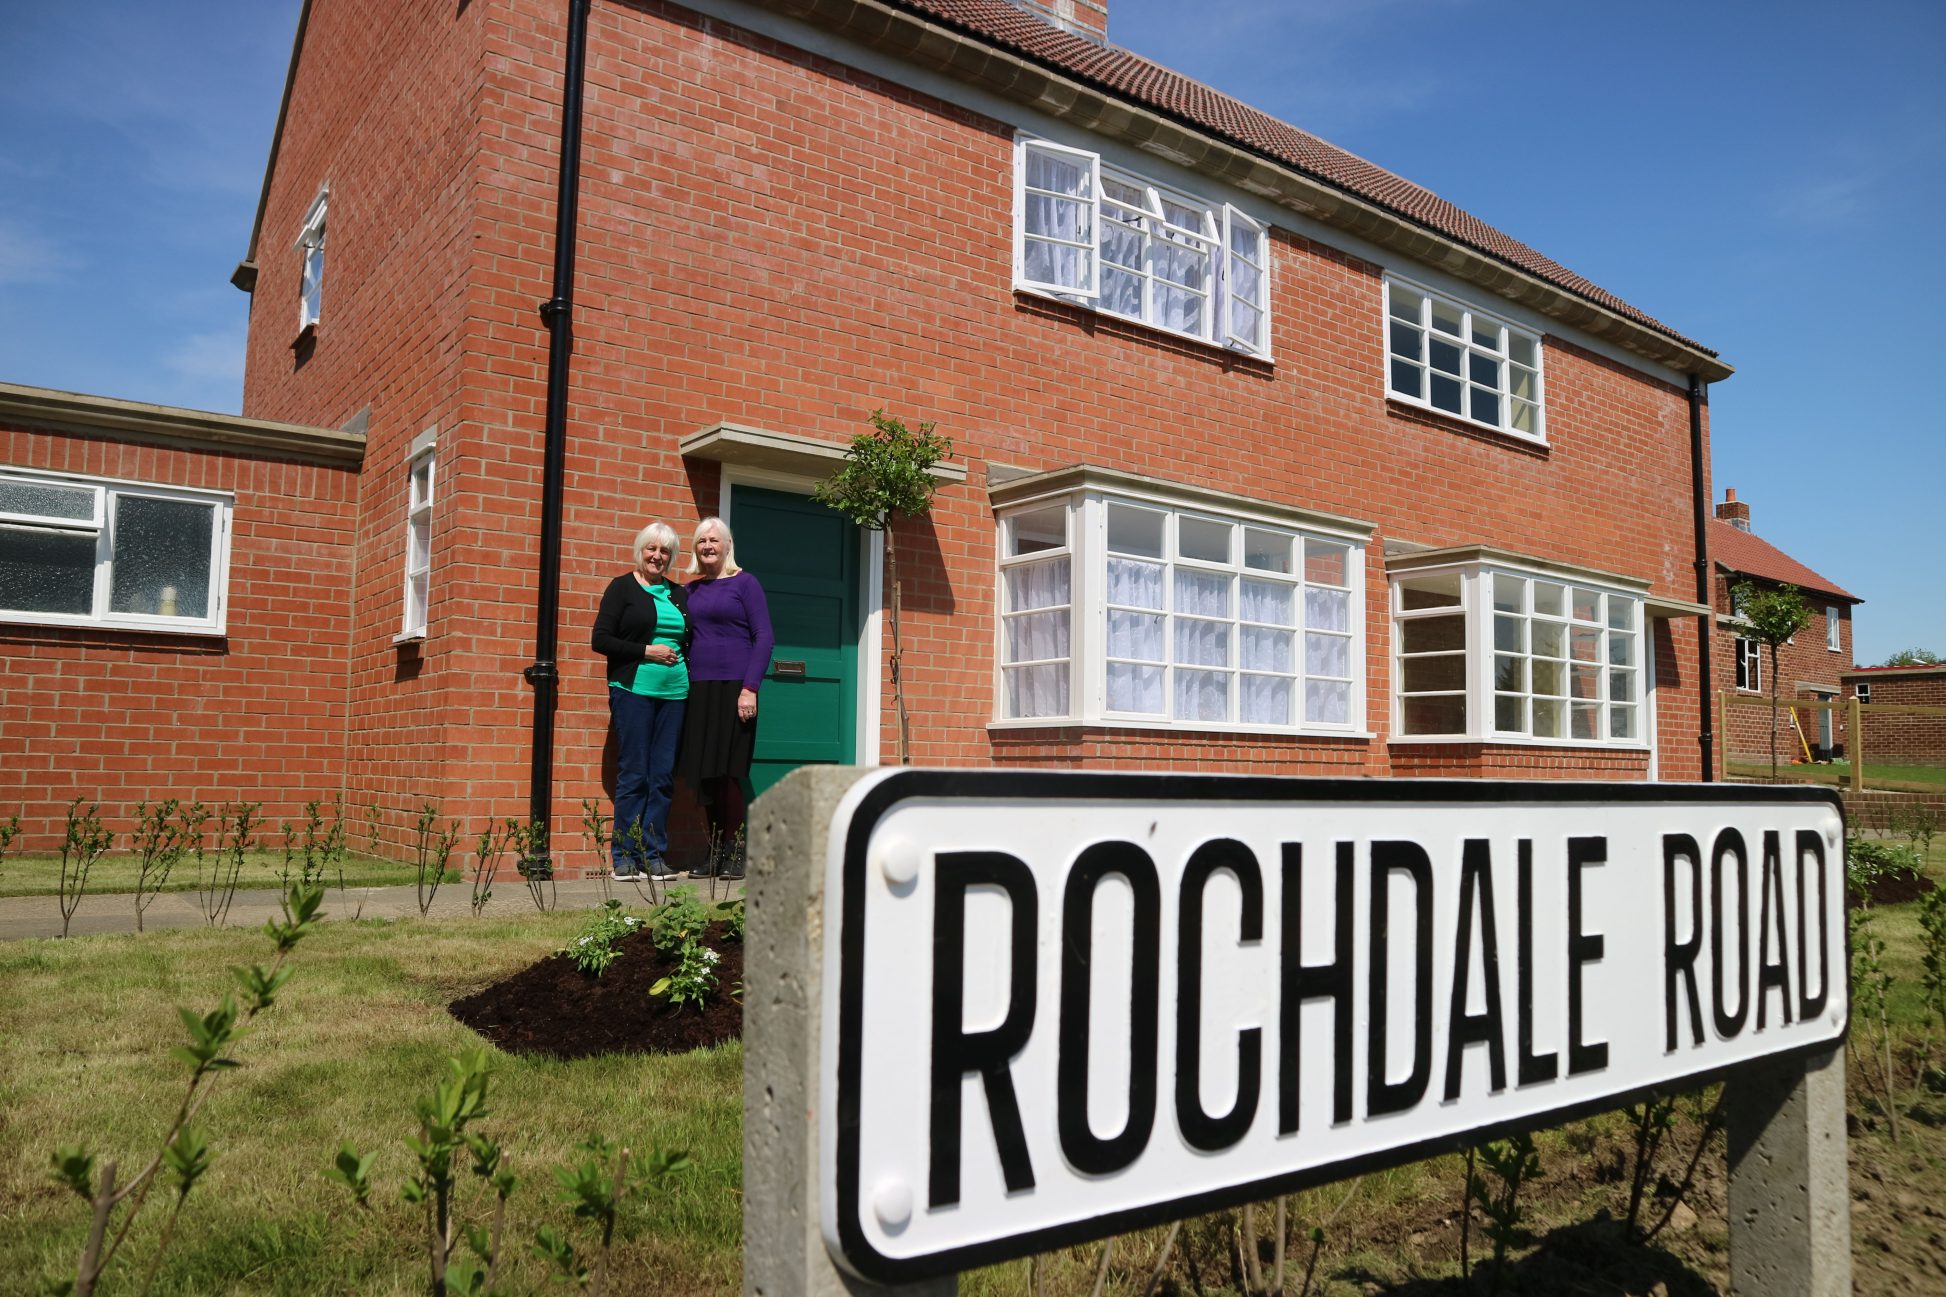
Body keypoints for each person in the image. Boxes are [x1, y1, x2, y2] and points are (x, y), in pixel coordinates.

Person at [590, 522, 690, 881]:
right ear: (640, 550)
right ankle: (624, 856)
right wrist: (646, 651)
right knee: (635, 774)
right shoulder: (622, 588)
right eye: (652, 549)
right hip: (633, 691)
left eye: (665, 551)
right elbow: (600, 639)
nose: (658, 556)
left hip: (675, 694)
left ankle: (653, 855)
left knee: (662, 776)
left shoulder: (679, 594)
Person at [677, 515, 774, 880]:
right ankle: (715, 851)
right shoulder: (691, 591)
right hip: (699, 688)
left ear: (727, 545)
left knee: (730, 771)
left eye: (714, 540)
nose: (707, 546)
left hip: (735, 688)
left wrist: (750, 688)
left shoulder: (745, 584)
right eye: (702, 541)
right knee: (706, 773)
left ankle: (736, 850)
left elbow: (763, 636)